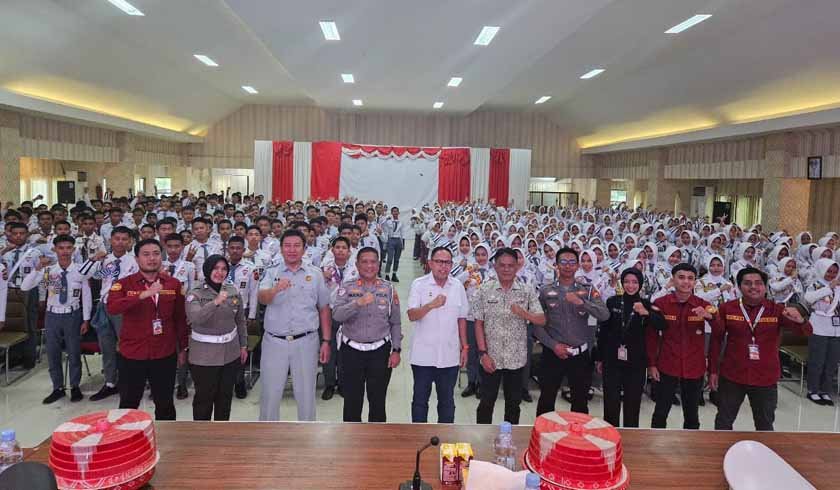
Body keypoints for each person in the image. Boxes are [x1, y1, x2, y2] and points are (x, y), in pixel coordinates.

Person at [709, 267, 811, 430]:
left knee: (765, 424)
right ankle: (723, 454)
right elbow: (716, 340)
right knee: (723, 421)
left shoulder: (776, 310)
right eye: (747, 283)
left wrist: (801, 321)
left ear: (765, 287)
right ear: (739, 286)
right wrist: (713, 371)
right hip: (733, 375)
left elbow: (806, 333)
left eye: (758, 283)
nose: (753, 287)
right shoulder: (727, 309)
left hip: (765, 377)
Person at [106, 238, 188, 420]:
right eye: (146, 254)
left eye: (156, 254)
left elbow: (180, 319)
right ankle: (127, 443)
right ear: (136, 259)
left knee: (165, 403)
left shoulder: (173, 284)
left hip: (164, 353)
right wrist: (144, 295)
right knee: (128, 403)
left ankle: (166, 441)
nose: (152, 258)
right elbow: (112, 307)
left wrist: (183, 347)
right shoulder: (124, 284)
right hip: (133, 354)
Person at [257, 229, 331, 421]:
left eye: (297, 245)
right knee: (270, 393)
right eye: (287, 246)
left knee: (306, 394)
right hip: (275, 341)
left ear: (305, 249)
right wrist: (276, 289)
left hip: (306, 341)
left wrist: (326, 341)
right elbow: (262, 298)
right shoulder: (272, 271)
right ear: (281, 249)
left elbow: (324, 308)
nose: (292, 250)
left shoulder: (315, 274)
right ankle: (267, 437)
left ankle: (306, 438)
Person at [472, 248, 545, 424]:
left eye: (510, 266)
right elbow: (478, 323)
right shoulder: (484, 290)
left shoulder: (526, 290)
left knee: (513, 404)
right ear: (495, 267)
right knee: (486, 402)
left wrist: (523, 313)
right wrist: (483, 354)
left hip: (516, 359)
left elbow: (541, 319)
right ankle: (483, 440)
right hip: (491, 358)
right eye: (502, 265)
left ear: (517, 267)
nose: (506, 269)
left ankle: (509, 441)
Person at [535, 247, 609, 415]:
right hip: (553, 353)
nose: (567, 266)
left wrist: (582, 303)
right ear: (556, 265)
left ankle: (577, 440)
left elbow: (604, 315)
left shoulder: (588, 289)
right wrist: (553, 345)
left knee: (580, 403)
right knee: (546, 400)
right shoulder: (545, 291)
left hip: (580, 355)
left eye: (572, 262)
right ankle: (543, 438)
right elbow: (536, 323)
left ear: (577, 266)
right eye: (563, 262)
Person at [331, 247, 402, 422]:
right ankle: (352, 442)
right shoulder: (347, 288)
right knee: (352, 402)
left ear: (378, 264)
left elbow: (395, 322)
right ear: (357, 264)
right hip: (351, 351)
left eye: (373, 262)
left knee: (377, 402)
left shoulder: (388, 289)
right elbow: (337, 315)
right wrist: (358, 303)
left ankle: (376, 444)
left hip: (380, 351)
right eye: (364, 261)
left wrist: (396, 350)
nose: (369, 266)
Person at [21, 235, 91, 404]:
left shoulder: (81, 270)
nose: (65, 252)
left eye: (68, 248)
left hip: (73, 315)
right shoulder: (48, 271)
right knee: (53, 353)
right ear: (55, 250)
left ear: (73, 250)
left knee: (74, 352)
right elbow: (25, 286)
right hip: (52, 315)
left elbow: (87, 296)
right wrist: (37, 269)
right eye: (61, 248)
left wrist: (86, 319)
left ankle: (75, 386)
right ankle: (57, 388)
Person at [647, 263, 715, 429]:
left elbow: (720, 330)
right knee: (661, 411)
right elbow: (652, 336)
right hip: (667, 365)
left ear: (695, 282)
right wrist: (651, 364)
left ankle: (690, 449)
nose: (686, 282)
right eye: (681, 277)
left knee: (692, 414)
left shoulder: (705, 304)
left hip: (694, 367)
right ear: (673, 280)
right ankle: (655, 447)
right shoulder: (661, 303)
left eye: (690, 278)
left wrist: (710, 317)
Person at [407, 246, 469, 423]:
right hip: (423, 356)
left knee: (447, 402)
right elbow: (411, 315)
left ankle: (445, 442)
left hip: (449, 356)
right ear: (430, 263)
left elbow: (462, 318)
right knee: (420, 402)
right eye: (439, 262)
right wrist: (430, 305)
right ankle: (419, 439)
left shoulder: (457, 286)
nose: (443, 266)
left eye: (447, 263)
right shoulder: (419, 284)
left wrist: (465, 347)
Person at [597, 268, 665, 427]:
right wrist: (599, 357)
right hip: (612, 360)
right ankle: (610, 437)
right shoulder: (613, 301)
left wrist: (646, 313)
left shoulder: (646, 304)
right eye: (627, 281)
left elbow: (663, 324)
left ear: (640, 284)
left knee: (632, 404)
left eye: (635, 282)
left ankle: (631, 437)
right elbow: (604, 331)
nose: (630, 285)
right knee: (611, 403)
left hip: (636, 362)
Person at [185, 255, 248, 421]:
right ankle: (202, 440)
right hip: (204, 357)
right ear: (207, 270)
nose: (220, 272)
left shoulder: (232, 290)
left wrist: (243, 345)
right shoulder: (195, 293)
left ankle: (222, 436)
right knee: (204, 400)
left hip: (230, 354)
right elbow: (195, 318)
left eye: (223, 269)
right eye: (215, 268)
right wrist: (216, 302)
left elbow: (240, 321)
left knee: (225, 399)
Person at [79, 225, 138, 401]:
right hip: (104, 306)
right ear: (111, 240)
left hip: (123, 309)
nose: (120, 242)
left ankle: (129, 380)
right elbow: (88, 275)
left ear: (130, 242)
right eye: (116, 239)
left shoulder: (134, 262)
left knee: (127, 346)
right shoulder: (105, 260)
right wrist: (94, 259)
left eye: (124, 239)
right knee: (107, 346)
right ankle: (110, 382)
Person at [803, 258, 840, 406]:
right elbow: (809, 299)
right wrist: (829, 287)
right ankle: (813, 390)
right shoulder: (814, 285)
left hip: (836, 329)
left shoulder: (838, 287)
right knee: (817, 361)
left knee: (831, 362)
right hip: (818, 326)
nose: (832, 274)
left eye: (835, 272)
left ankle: (825, 390)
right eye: (829, 271)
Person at [382, 207, 404, 282]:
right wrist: (386, 219)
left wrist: (402, 243)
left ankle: (394, 274)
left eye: (396, 211)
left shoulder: (400, 222)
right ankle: (387, 274)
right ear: (391, 213)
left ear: (398, 213)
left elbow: (402, 233)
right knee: (390, 258)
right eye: (394, 211)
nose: (395, 213)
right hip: (391, 239)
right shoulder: (388, 221)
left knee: (397, 259)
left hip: (398, 240)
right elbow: (382, 225)